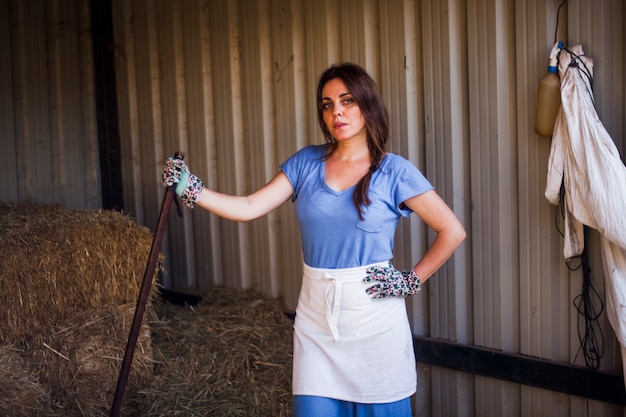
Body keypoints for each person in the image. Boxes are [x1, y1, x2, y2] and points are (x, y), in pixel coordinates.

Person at [161, 62, 466, 417]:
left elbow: (452, 230)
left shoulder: (393, 170)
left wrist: (410, 279)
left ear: (367, 105)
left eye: (347, 100)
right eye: (327, 103)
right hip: (316, 323)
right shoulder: (306, 162)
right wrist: (191, 188)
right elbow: (248, 206)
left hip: (374, 323)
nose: (336, 110)